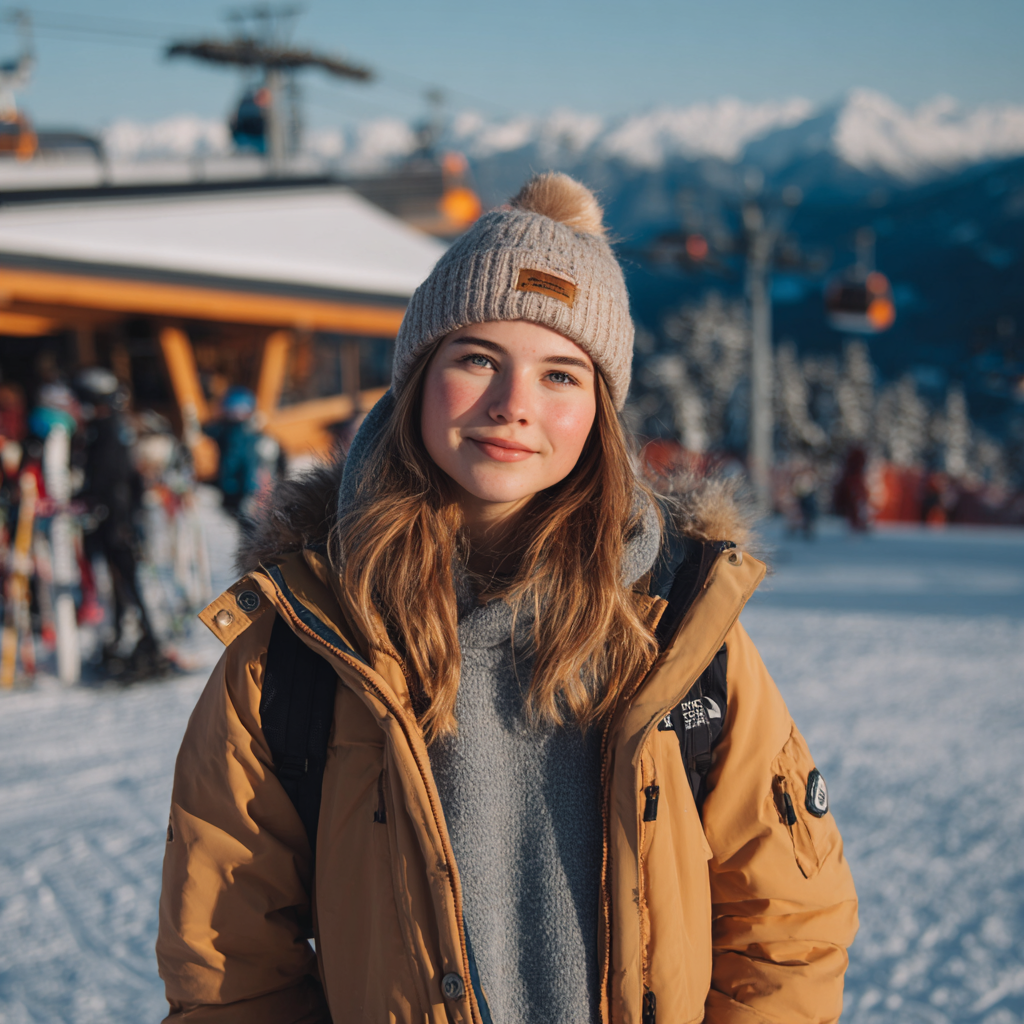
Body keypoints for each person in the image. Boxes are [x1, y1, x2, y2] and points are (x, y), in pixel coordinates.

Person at [157, 174, 857, 1024]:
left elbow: (787, 920)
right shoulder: (302, 642)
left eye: (562, 375)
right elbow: (231, 966)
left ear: (600, 411)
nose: (514, 405)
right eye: (478, 359)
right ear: (418, 377)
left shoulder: (676, 626)